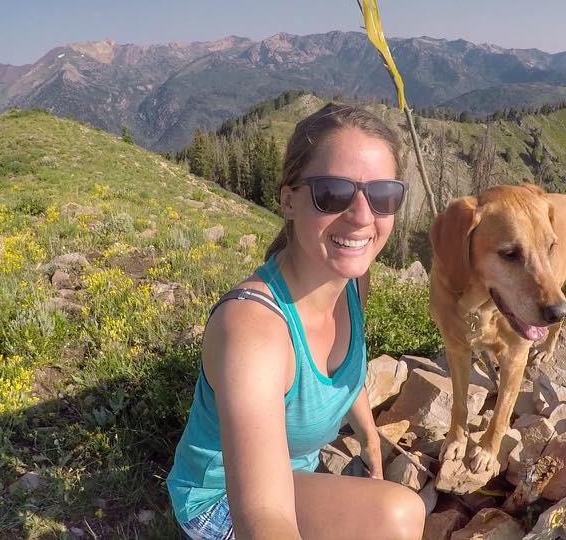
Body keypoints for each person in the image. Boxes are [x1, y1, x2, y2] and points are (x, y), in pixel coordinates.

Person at [166, 103, 426, 540]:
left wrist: (368, 434)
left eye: (382, 195)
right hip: (221, 502)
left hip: (290, 479)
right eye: (333, 193)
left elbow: (348, 367)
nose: (363, 216)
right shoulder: (254, 330)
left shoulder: (352, 283)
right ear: (288, 200)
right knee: (397, 516)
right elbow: (264, 515)